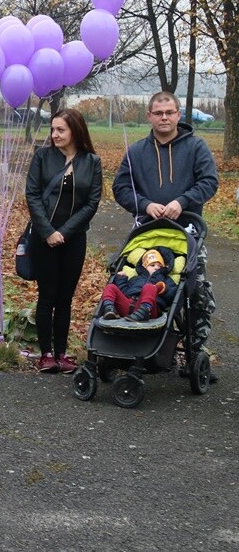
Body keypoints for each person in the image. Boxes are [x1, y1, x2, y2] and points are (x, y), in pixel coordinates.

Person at [112, 90, 219, 380]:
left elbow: (210, 181)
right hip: (147, 234)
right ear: (149, 116)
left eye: (169, 112)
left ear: (178, 115)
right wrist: (145, 204)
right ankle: (135, 344)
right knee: (137, 286)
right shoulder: (136, 152)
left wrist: (181, 202)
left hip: (187, 234)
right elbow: (121, 188)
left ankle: (195, 354)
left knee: (194, 294)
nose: (164, 117)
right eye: (158, 113)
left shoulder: (196, 147)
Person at [25, 108, 102, 374]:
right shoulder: (42, 157)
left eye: (61, 130)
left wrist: (65, 232)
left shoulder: (91, 161)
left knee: (65, 298)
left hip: (73, 239)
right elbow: (32, 195)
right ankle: (45, 354)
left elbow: (92, 202)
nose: (55, 134)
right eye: (53, 129)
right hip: (44, 238)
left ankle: (62, 353)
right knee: (47, 295)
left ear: (75, 131)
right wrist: (48, 231)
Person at [99, 247, 178, 321]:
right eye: (152, 265)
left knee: (150, 287)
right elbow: (125, 291)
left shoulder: (166, 280)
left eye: (160, 266)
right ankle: (109, 308)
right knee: (110, 287)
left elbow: (173, 295)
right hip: (128, 306)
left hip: (150, 310)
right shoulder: (135, 279)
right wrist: (121, 279)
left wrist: (164, 290)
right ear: (145, 266)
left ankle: (143, 311)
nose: (156, 267)